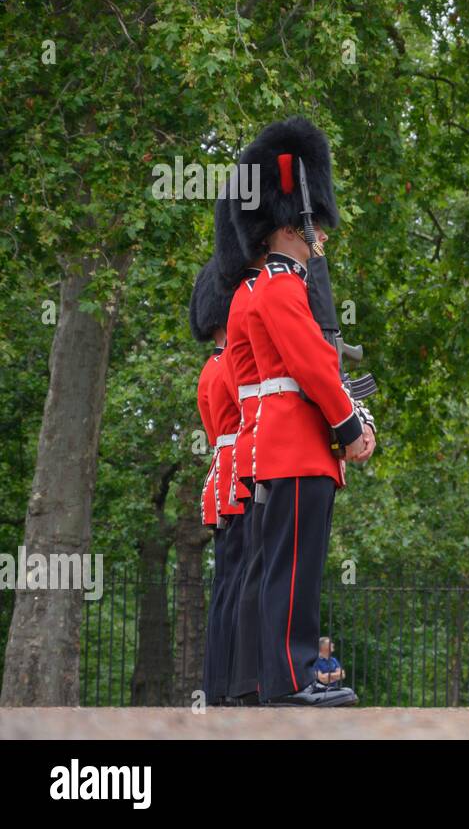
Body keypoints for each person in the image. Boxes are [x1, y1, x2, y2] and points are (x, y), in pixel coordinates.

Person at [231, 116, 376, 707]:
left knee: (280, 570)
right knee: (294, 573)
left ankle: (273, 680)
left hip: (289, 446)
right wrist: (351, 428)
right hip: (299, 447)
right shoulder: (283, 287)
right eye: (313, 227)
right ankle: (292, 681)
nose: (319, 238)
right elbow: (314, 370)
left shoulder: (272, 285)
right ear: (295, 223)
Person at [214, 187, 267, 705]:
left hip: (237, 462)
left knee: (237, 579)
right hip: (253, 454)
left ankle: (231, 680)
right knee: (252, 572)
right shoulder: (252, 307)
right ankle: (246, 682)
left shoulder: (218, 359)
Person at [191, 258, 242, 706]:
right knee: (239, 582)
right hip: (239, 472)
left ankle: (220, 684)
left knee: (228, 583)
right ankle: (231, 685)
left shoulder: (211, 366)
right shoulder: (229, 364)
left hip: (222, 473)